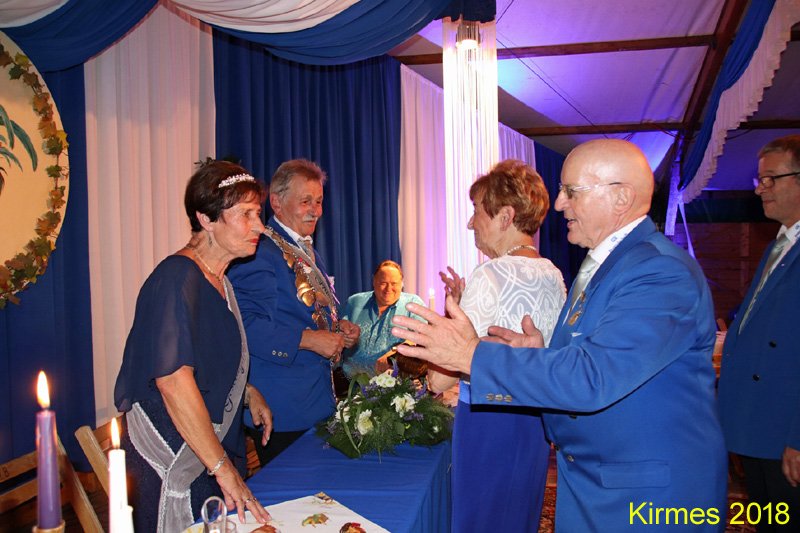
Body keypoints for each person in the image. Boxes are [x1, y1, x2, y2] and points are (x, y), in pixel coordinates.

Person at [392, 139, 728, 532]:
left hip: (644, 498)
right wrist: (536, 352)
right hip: (599, 480)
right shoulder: (604, 266)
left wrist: (470, 354)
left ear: (620, 197)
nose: (559, 204)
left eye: (572, 191)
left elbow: (592, 377)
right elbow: (587, 359)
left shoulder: (659, 273)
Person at [114, 161, 272, 532]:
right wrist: (223, 469)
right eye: (246, 214)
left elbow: (204, 361)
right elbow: (172, 379)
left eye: (258, 214)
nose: (260, 226)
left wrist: (247, 393)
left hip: (205, 452)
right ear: (206, 219)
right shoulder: (175, 277)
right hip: (176, 456)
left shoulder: (219, 281)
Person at [428, 159, 565, 532]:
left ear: (505, 217)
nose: (470, 223)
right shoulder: (553, 274)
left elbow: (441, 378)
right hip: (535, 422)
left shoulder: (490, 273)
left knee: (480, 519)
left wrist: (431, 368)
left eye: (477, 211)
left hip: (488, 422)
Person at [228, 159, 360, 466]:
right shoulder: (259, 251)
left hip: (314, 400)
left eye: (319, 201)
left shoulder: (299, 246)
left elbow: (304, 311)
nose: (315, 210)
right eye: (305, 201)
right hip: (282, 408)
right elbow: (245, 325)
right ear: (276, 202)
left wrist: (338, 328)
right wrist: (310, 340)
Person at [718, 134, 800, 531]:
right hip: (758, 424)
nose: (760, 189)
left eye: (771, 179)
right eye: (759, 179)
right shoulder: (780, 243)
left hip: (785, 430)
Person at [340, 260, 425, 377]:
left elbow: (421, 339)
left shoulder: (413, 304)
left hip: (394, 383)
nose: (388, 288)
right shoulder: (354, 302)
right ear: (374, 282)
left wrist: (393, 355)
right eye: (383, 283)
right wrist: (342, 335)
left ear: (402, 284)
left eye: (394, 283)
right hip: (349, 382)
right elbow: (336, 329)